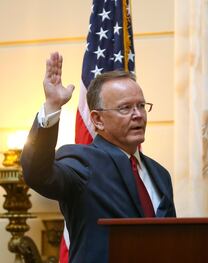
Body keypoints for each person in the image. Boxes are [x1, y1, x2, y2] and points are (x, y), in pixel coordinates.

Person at [21, 52, 176, 263]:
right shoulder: (81, 161)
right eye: (125, 108)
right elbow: (38, 174)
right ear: (98, 119)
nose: (138, 114)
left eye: (141, 105)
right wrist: (52, 106)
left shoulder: (160, 174)